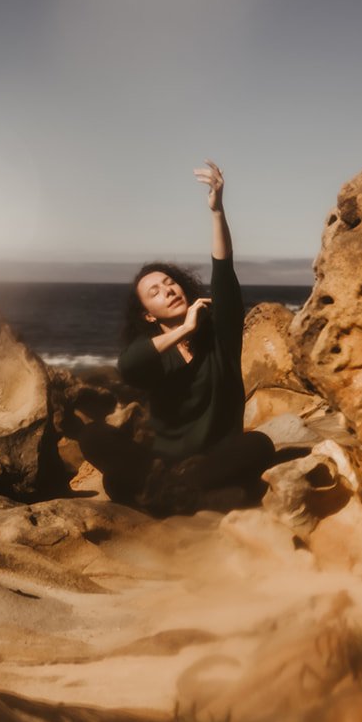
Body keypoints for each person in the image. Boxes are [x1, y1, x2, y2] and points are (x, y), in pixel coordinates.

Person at [115, 161, 275, 513]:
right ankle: (187, 493)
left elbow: (223, 268)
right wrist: (184, 330)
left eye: (169, 282)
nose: (167, 290)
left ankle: (175, 493)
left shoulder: (220, 335)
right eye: (155, 292)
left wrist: (217, 211)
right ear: (148, 314)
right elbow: (128, 367)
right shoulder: (154, 355)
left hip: (213, 460)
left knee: (260, 445)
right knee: (97, 438)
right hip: (165, 463)